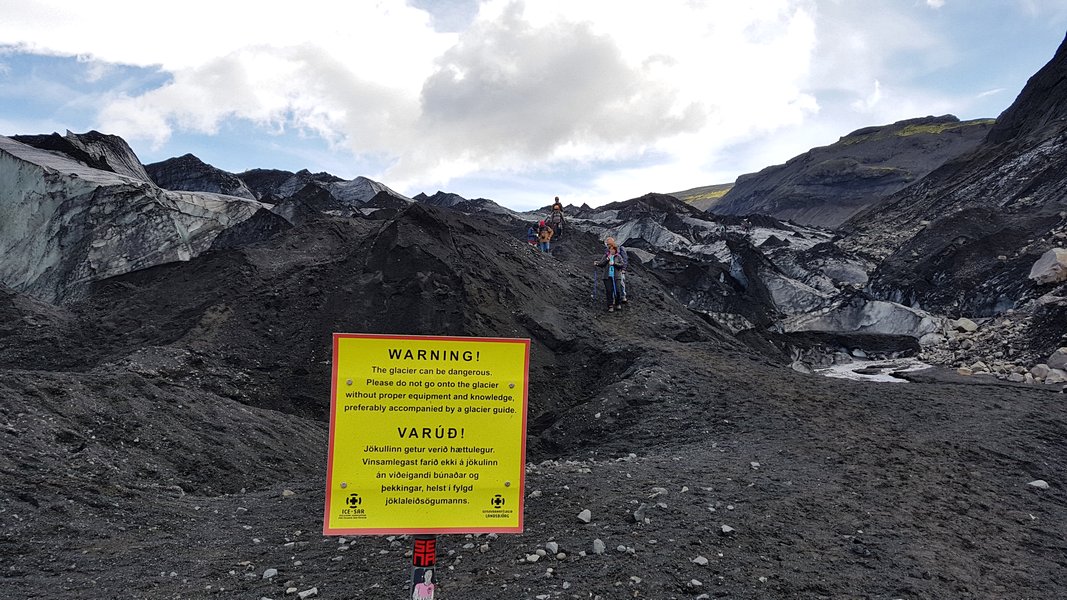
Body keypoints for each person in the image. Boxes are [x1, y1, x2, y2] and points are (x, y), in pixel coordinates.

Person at [594, 238, 623, 312]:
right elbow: (602, 264)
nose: (612, 251)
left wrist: (614, 263)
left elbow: (622, 265)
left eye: (613, 249)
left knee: (618, 290)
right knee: (609, 291)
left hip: (616, 276)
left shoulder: (618, 257)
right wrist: (598, 263)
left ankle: (618, 303)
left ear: (615, 250)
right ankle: (610, 305)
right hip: (607, 276)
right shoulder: (606, 256)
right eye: (610, 249)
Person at [605, 236, 628, 303]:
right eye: (607, 244)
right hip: (611, 270)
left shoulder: (620, 248)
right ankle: (614, 298)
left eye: (609, 243)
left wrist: (623, 269)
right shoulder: (607, 250)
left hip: (619, 269)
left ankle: (623, 296)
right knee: (612, 284)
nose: (608, 245)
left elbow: (624, 259)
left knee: (621, 283)